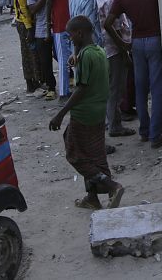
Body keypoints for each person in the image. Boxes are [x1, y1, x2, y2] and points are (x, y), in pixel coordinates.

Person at [48, 15, 125, 210]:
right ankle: (92, 197)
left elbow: (81, 88)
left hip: (84, 114)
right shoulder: (98, 52)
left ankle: (111, 186)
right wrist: (77, 53)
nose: (70, 39)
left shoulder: (85, 57)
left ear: (80, 33)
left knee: (74, 152)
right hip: (99, 112)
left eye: (71, 35)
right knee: (95, 154)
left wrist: (61, 113)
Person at [105, 0, 162, 148]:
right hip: (155, 40)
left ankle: (144, 131)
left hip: (136, 43)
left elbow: (107, 23)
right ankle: (156, 135)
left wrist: (123, 44)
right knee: (157, 89)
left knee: (140, 88)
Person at [93, 0, 136, 137]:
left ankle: (109, 121)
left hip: (105, 47)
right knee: (116, 89)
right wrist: (124, 49)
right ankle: (115, 125)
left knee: (110, 87)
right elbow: (112, 26)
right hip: (114, 49)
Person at [14, 0, 49, 94]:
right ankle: (31, 83)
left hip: (30, 22)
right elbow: (23, 8)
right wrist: (29, 28)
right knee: (29, 54)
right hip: (25, 23)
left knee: (34, 53)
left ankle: (37, 80)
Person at [25, 0, 59, 100]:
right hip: (41, 28)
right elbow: (32, 10)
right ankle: (51, 87)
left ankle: (70, 77)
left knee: (61, 55)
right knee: (45, 61)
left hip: (57, 26)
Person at [45, 0, 75, 99]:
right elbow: (49, 3)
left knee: (69, 58)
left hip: (68, 26)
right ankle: (64, 92)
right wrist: (47, 27)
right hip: (59, 27)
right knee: (63, 60)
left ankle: (68, 89)